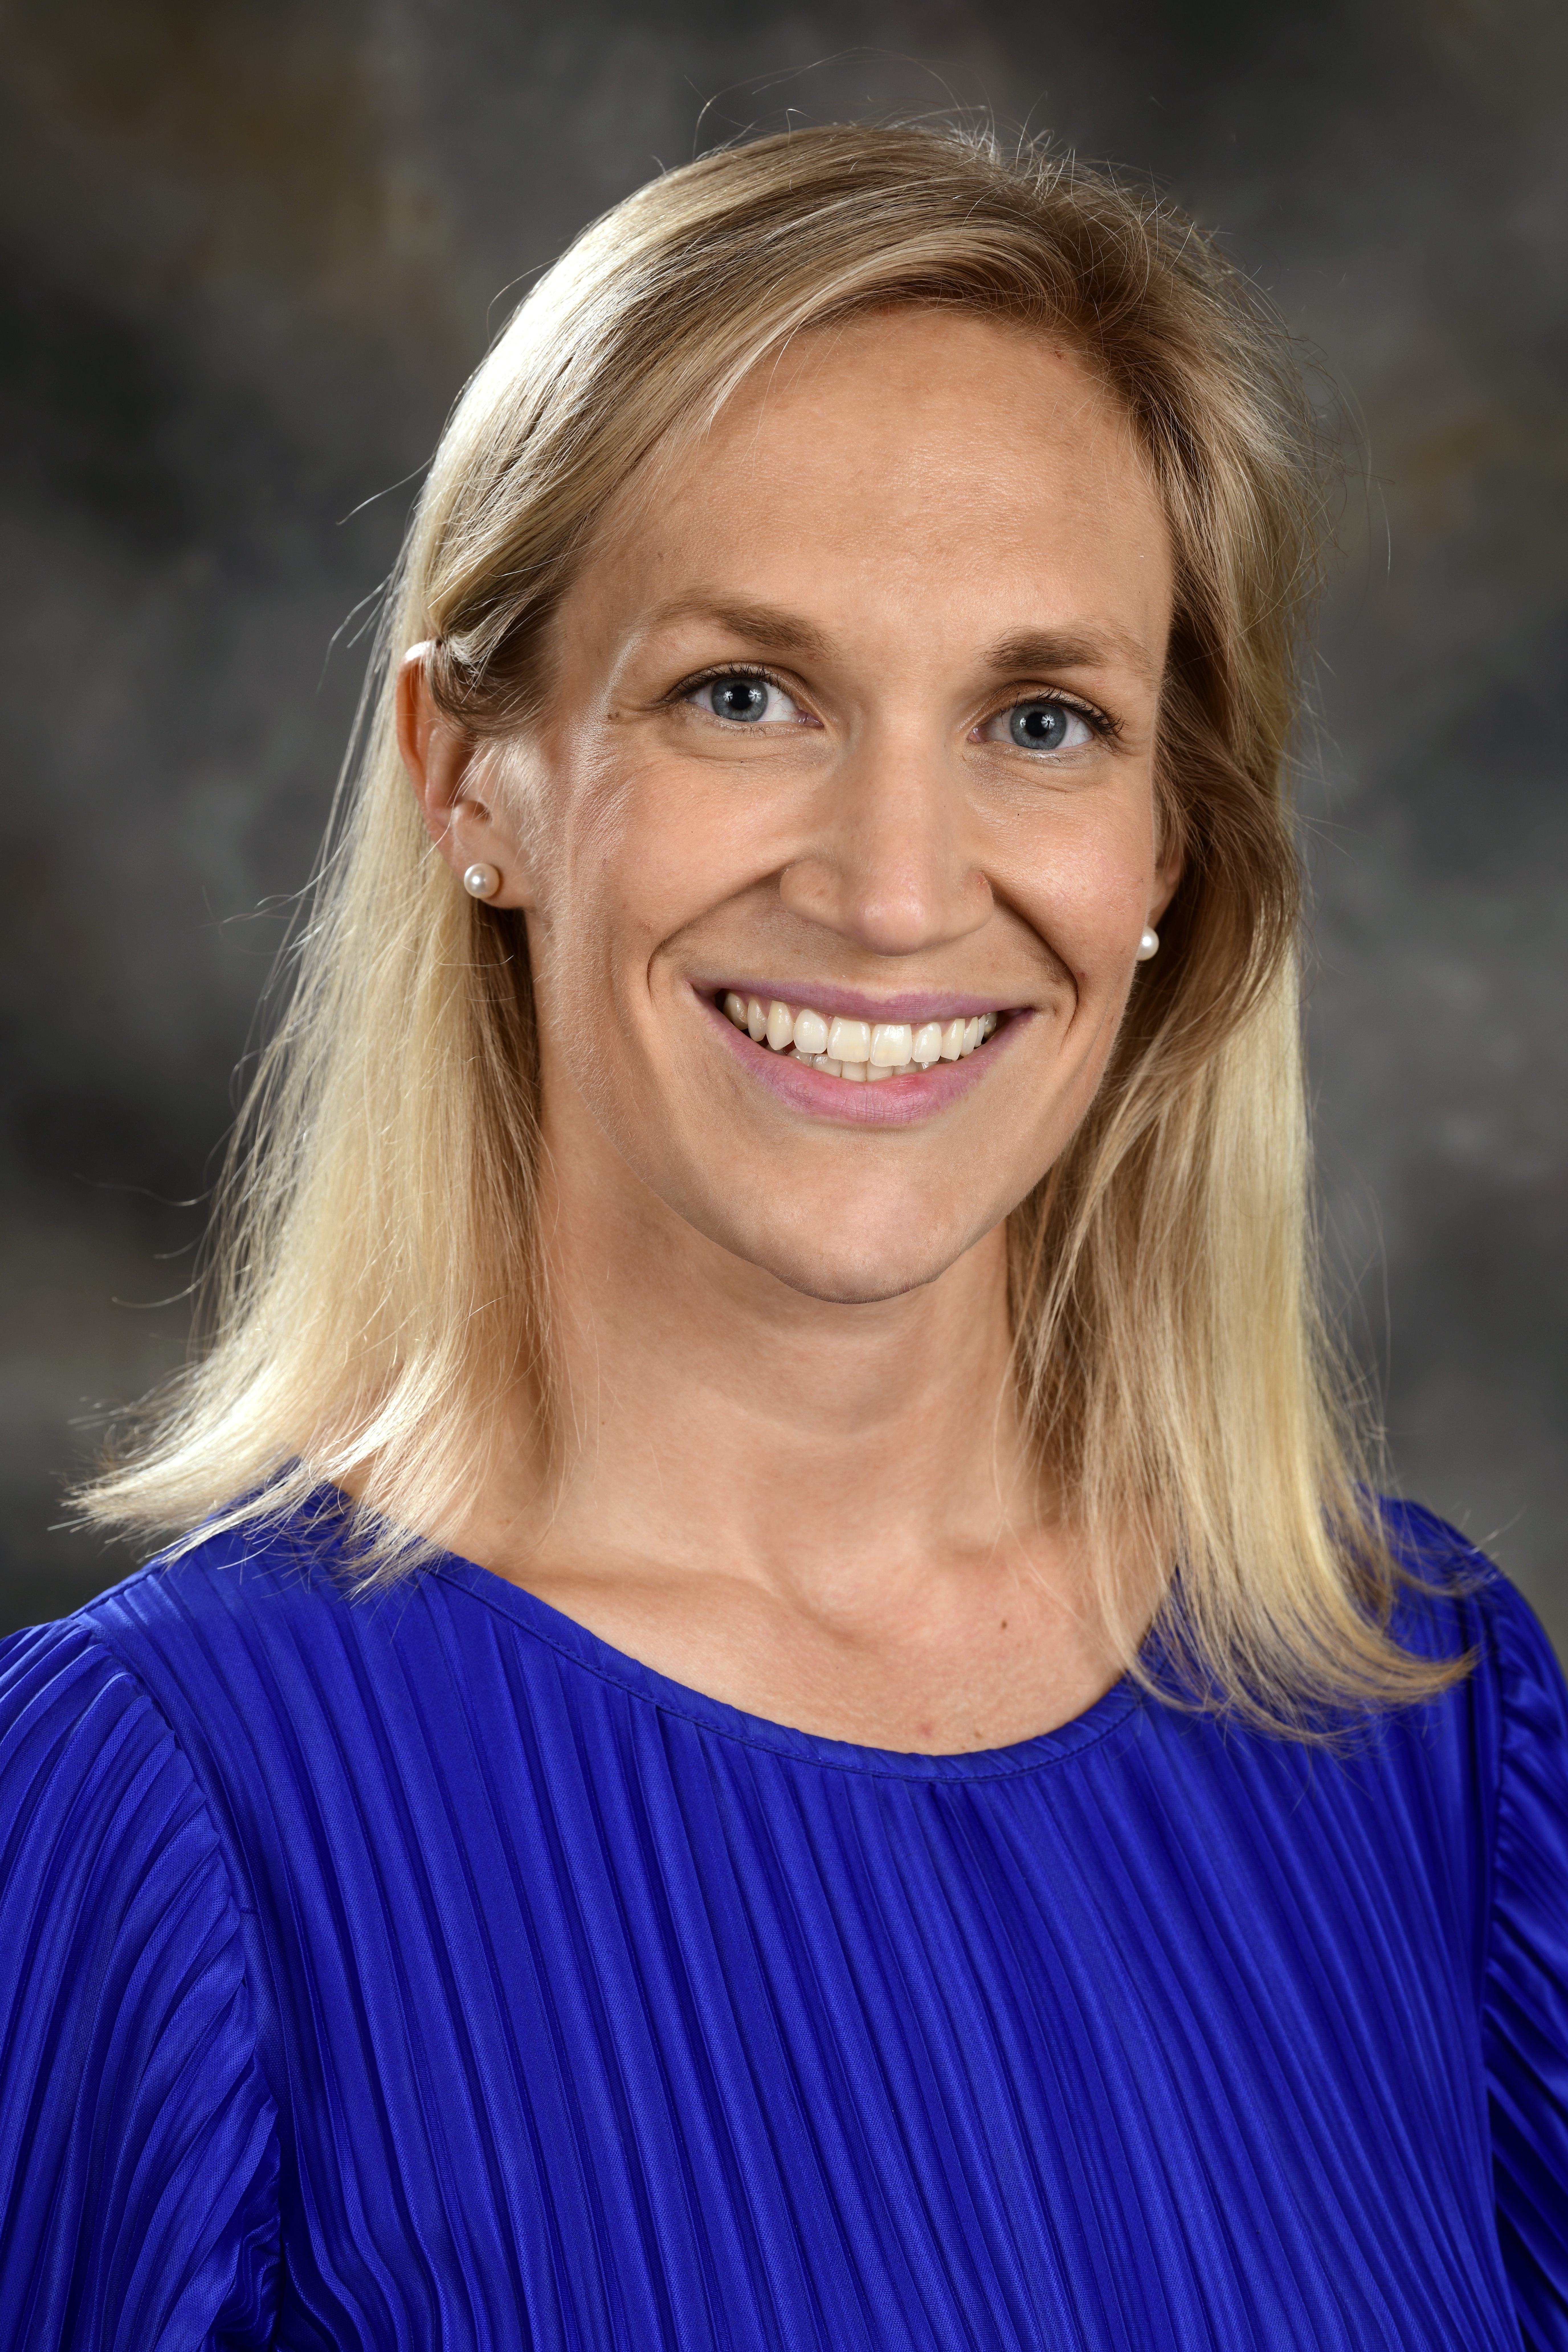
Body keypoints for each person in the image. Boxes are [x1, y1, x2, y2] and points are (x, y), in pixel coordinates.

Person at [2, 121, 1564, 2350]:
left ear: (1167, 859)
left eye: (1042, 722)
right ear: (474, 778)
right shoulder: (149, 1809)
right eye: (746, 693)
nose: (901, 886)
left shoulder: (1420, 1706)